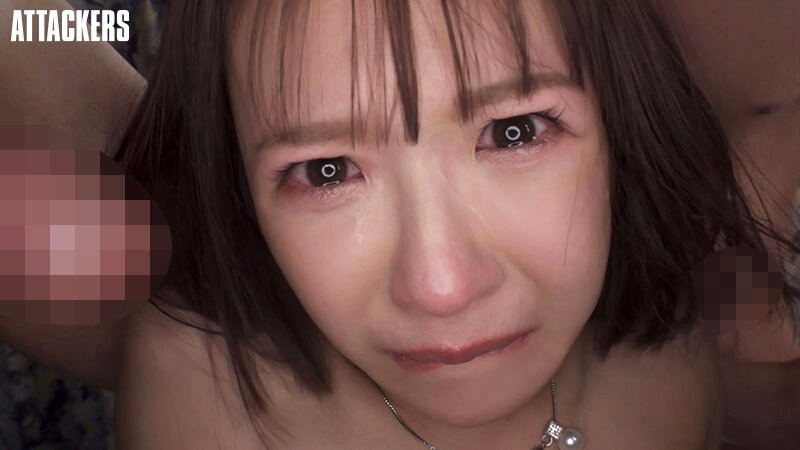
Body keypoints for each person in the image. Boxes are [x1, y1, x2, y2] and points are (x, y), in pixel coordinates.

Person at [1, 0, 798, 449]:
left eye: (514, 132)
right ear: (237, 191)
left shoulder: (679, 354)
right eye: (326, 172)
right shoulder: (207, 404)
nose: (441, 286)